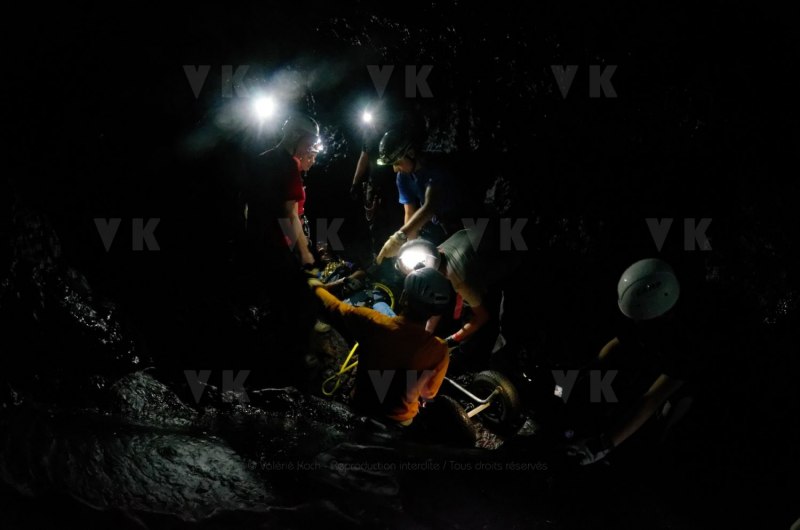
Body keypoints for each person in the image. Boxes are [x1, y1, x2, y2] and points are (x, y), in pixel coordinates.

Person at [566, 258, 700, 465]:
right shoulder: (650, 306)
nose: (635, 321)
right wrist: (591, 370)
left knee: (667, 420)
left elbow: (651, 399)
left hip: (685, 385)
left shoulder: (686, 342)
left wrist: (603, 445)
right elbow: (616, 343)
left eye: (640, 318)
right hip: (656, 355)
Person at [308, 267, 452, 425]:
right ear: (435, 312)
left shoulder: (374, 322)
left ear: (404, 297)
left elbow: (334, 307)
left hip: (362, 407)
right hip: (399, 420)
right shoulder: (439, 350)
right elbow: (428, 394)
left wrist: (314, 284)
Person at [242, 114, 321, 268]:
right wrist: (305, 253)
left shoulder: (261, 159)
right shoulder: (288, 165)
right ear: (295, 135)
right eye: (309, 142)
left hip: (256, 241)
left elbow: (247, 203)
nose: (309, 148)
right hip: (279, 246)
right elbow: (290, 213)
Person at [374, 128, 461, 263]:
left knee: (457, 265)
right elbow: (409, 211)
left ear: (411, 153)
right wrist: (410, 245)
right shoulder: (402, 177)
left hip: (462, 219)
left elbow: (429, 207)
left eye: (397, 163)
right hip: (437, 224)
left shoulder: (435, 167)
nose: (395, 169)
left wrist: (398, 238)